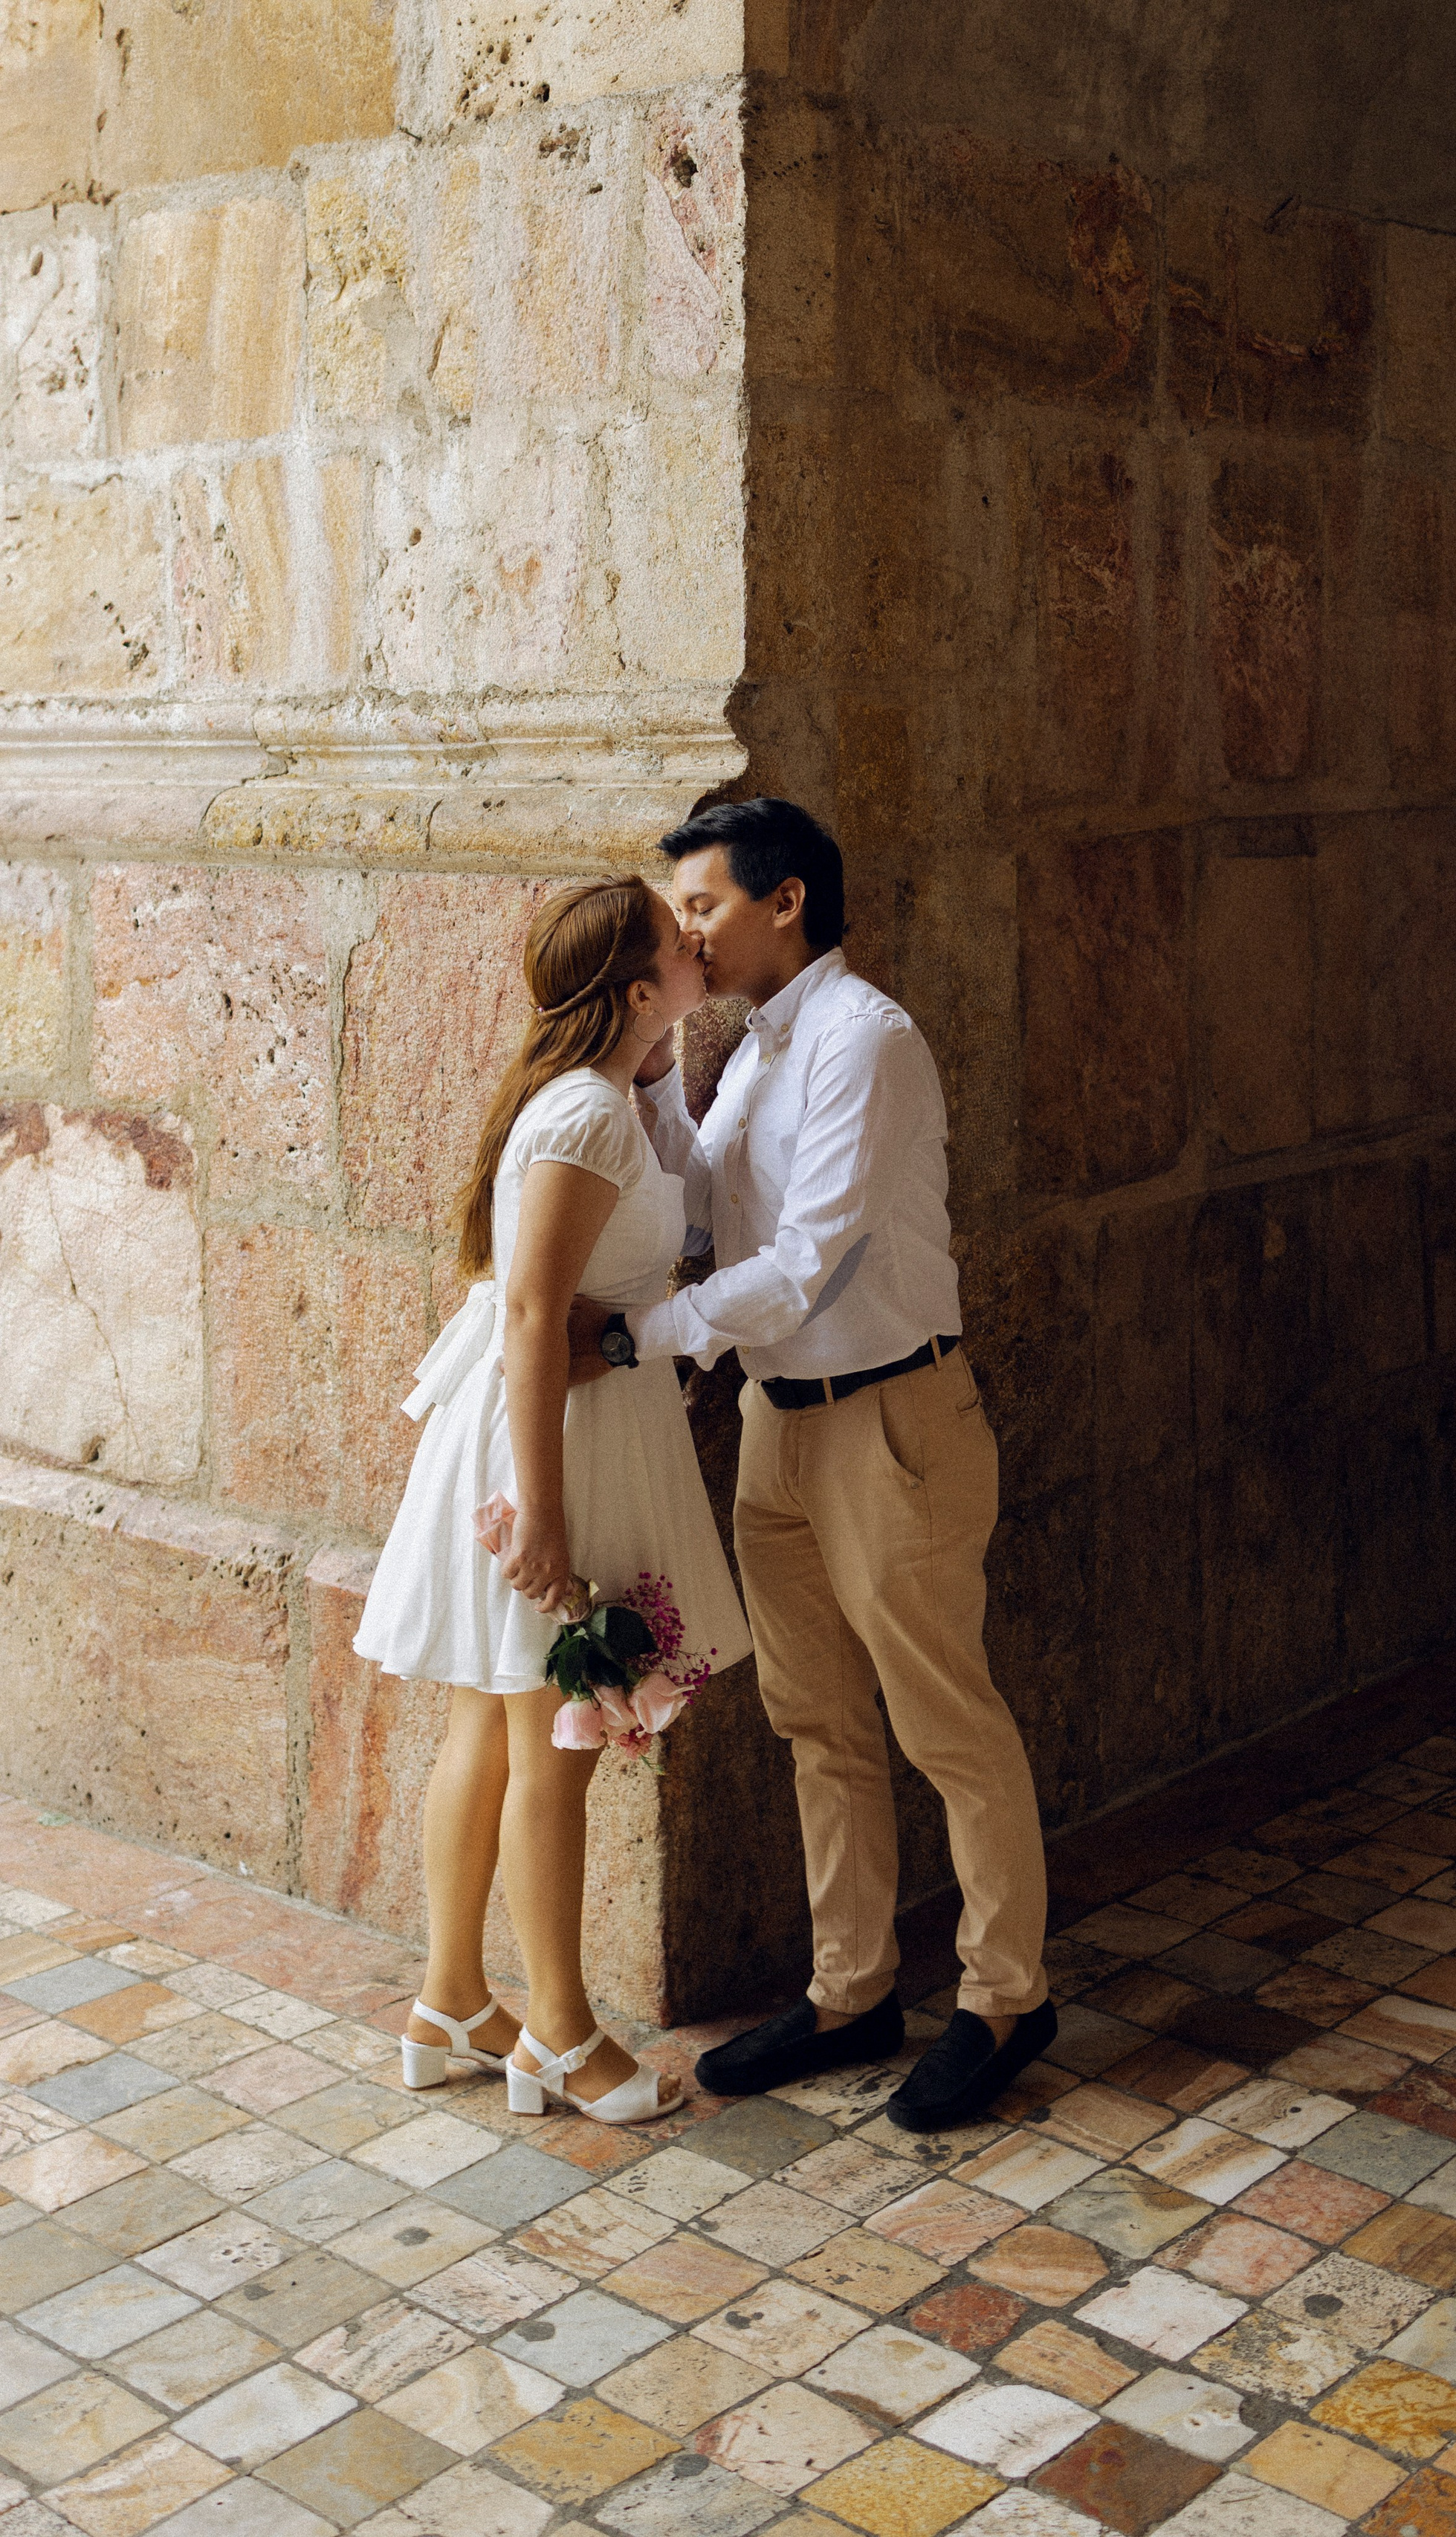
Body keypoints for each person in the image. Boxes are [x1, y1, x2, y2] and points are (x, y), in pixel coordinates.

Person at [568, 798, 1054, 2130]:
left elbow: (802, 1267)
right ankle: (852, 1993)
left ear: (786, 902)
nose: (688, 931)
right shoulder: (757, 1049)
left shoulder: (865, 1042)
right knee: (813, 1718)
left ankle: (1007, 1996)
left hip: (893, 1420)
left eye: (705, 905)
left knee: (944, 1718)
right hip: (782, 1426)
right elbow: (701, 1210)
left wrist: (624, 1341)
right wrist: (659, 1064)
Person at [355, 878, 750, 2124]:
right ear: (642, 994)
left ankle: (453, 2000)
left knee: (492, 1718)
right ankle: (561, 2038)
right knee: (553, 1747)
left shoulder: (617, 1095)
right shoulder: (585, 1110)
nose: (697, 943)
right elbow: (531, 1314)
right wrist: (546, 1515)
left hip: (563, 1419)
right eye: (674, 941)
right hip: (549, 1441)